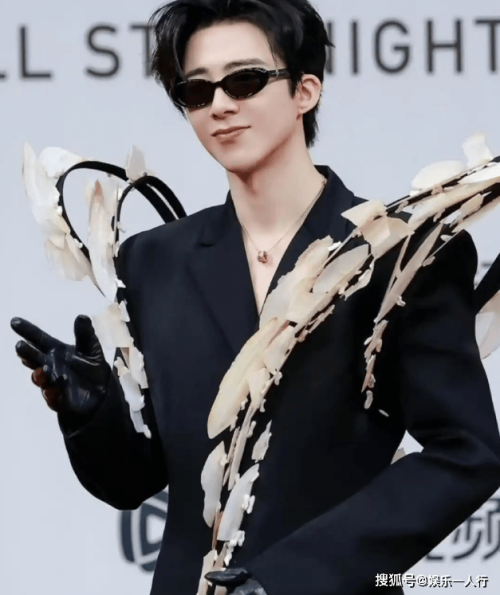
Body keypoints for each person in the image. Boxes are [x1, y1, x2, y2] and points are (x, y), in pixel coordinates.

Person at [10, 1, 500, 594]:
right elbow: (134, 481)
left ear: (305, 91)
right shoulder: (152, 261)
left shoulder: (399, 254)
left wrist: (292, 579)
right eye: (197, 91)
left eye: (244, 80)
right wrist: (92, 417)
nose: (220, 105)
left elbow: (465, 452)